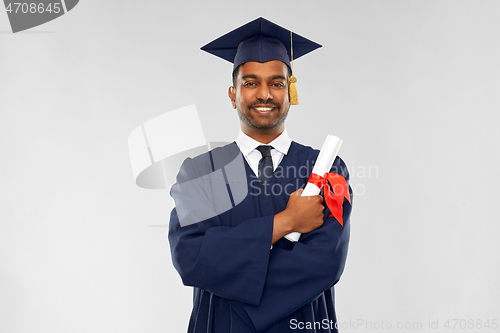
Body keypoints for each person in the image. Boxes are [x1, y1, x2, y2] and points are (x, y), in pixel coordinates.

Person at [168, 17, 352, 333]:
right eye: (251, 83)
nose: (264, 94)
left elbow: (325, 263)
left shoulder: (326, 169)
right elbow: (190, 257)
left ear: (289, 92)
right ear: (232, 94)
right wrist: (287, 222)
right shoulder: (200, 172)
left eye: (277, 83)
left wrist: (229, 272)